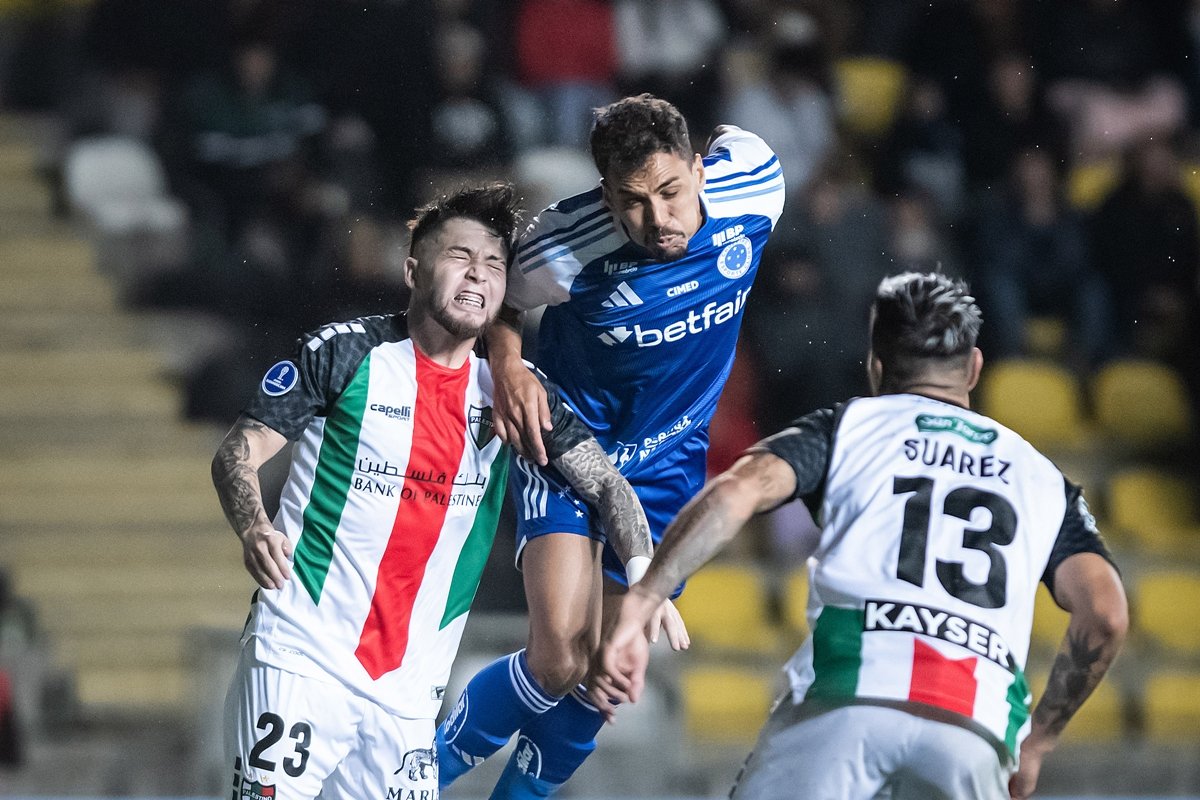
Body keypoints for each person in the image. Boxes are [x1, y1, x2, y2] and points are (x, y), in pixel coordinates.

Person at [595, 272, 1128, 800]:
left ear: (875, 365)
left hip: (846, 699)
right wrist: (1037, 742)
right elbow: (1106, 614)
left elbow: (737, 492)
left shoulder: (847, 427)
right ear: (974, 368)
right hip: (975, 731)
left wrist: (642, 601)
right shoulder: (1042, 480)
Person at [211, 183, 660, 800]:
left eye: (495, 265)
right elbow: (238, 451)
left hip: (408, 700)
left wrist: (645, 580)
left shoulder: (514, 394)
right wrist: (255, 524)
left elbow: (609, 486)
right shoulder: (345, 353)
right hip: (301, 656)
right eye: (460, 257)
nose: (478, 274)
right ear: (412, 269)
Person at [436, 93, 785, 798]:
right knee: (559, 655)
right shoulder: (565, 242)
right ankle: (409, 780)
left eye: (671, 192)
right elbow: (494, 296)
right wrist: (507, 366)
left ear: (698, 168)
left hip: (669, 468)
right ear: (604, 194)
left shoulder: (756, 182)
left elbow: (735, 134)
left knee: (603, 675)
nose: (657, 220)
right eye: (632, 202)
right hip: (567, 447)